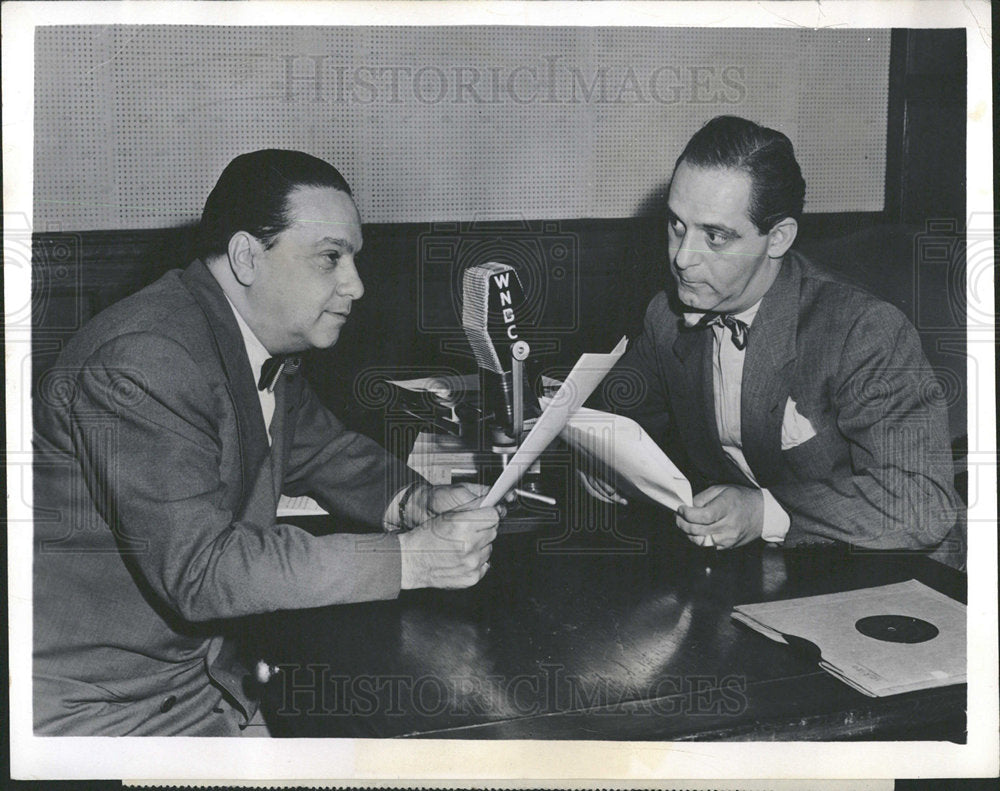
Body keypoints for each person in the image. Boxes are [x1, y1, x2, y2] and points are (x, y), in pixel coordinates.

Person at [32, 150, 501, 736]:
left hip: (205, 684)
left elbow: (321, 449)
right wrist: (410, 558)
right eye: (331, 258)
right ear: (248, 256)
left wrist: (415, 501)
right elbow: (203, 571)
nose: (355, 285)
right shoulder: (145, 359)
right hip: (100, 713)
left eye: (353, 259)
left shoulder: (238, 335)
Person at [604, 116, 961, 553]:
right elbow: (622, 420)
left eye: (715, 236)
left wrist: (764, 512)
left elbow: (922, 506)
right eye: (677, 225)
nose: (681, 258)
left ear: (778, 238)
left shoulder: (862, 330)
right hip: (769, 573)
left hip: (892, 571)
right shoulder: (667, 316)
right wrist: (602, 460)